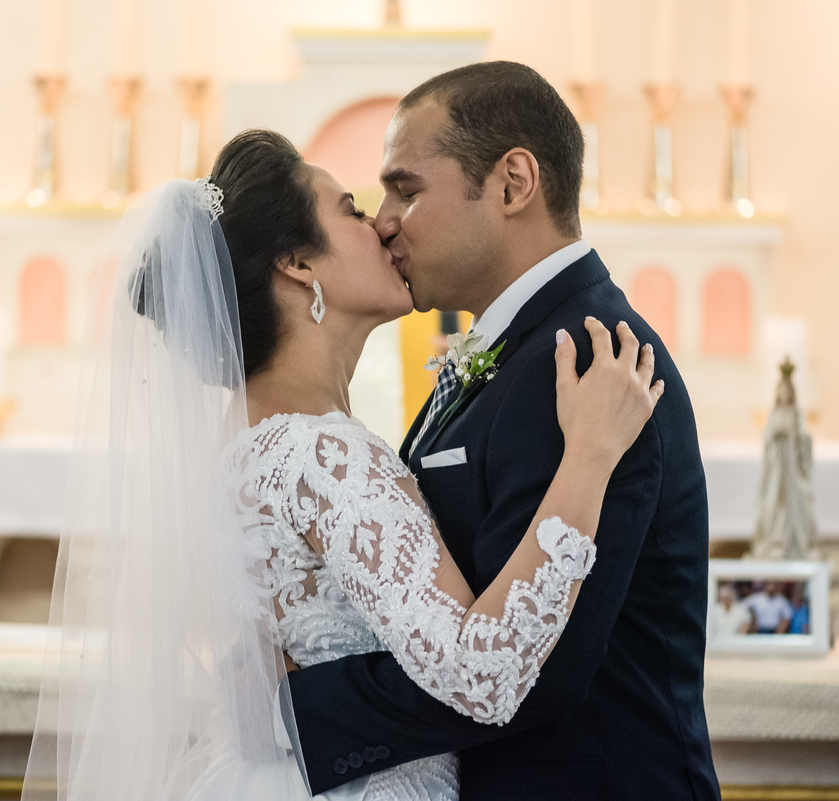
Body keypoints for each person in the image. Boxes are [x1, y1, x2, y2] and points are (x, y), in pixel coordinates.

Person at [20, 127, 663, 801]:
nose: (383, 226)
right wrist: (589, 455)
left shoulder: (240, 448)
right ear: (299, 263)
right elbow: (481, 674)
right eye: (352, 210)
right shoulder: (321, 454)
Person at [280, 62, 721, 801]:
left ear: (514, 183)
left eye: (407, 189)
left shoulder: (588, 359)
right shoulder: (523, 345)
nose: (385, 221)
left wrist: (291, 711)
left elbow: (536, 669)